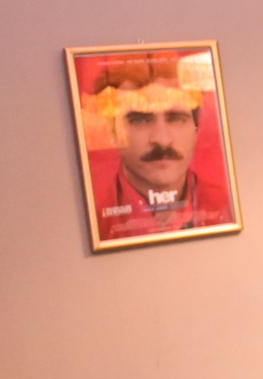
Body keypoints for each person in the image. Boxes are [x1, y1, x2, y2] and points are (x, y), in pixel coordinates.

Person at [85, 57, 233, 241]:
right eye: (139, 120)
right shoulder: (90, 220)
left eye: (176, 118)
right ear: (113, 132)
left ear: (196, 128)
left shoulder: (228, 206)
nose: (162, 140)